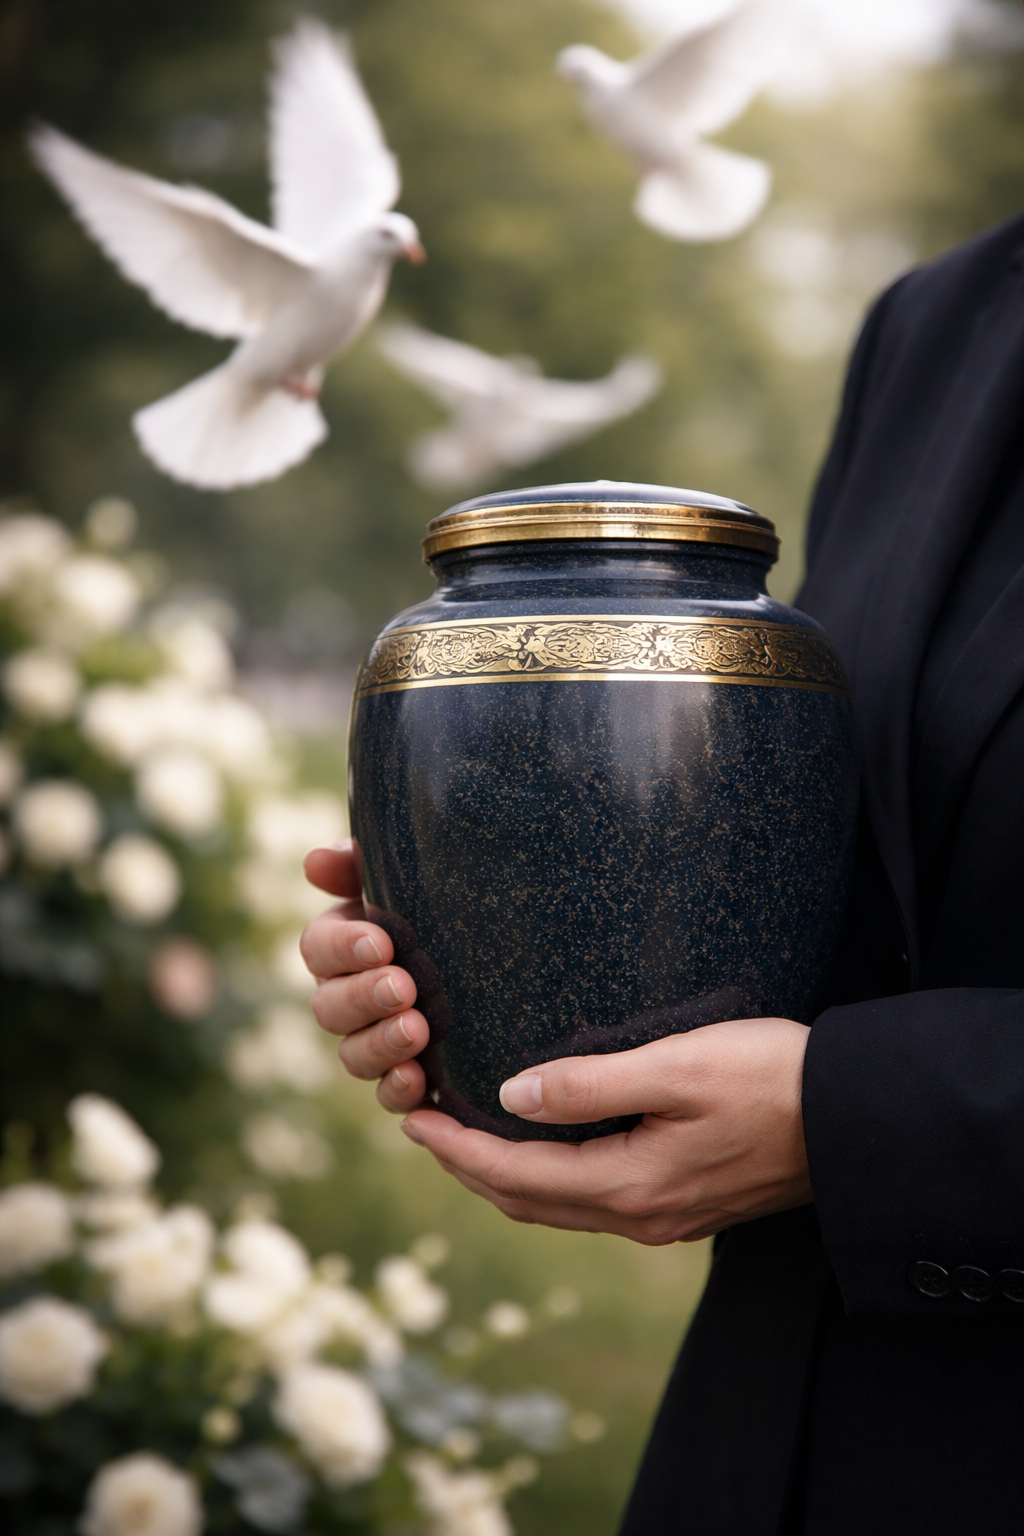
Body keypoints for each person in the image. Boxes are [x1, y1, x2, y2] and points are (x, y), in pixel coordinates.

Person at [300, 204, 1024, 1535]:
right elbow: (864, 852)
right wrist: (466, 907)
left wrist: (855, 1118)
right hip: (769, 1421)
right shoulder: (934, 320)